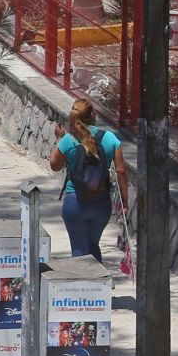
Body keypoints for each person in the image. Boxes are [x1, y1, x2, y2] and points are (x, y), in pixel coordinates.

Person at [50, 96, 128, 262]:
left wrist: (58, 139)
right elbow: (121, 170)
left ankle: (83, 286)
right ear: (93, 115)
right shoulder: (110, 139)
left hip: (74, 202)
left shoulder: (68, 140)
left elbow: (55, 166)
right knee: (93, 245)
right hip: (101, 204)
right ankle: (99, 286)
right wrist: (125, 203)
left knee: (79, 250)